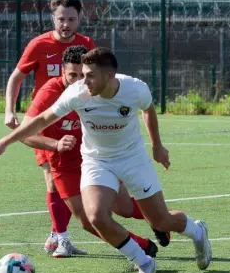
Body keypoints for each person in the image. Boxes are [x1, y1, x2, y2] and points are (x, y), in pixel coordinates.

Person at [0, 47, 212, 273]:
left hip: (133, 159)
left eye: (91, 75)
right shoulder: (77, 94)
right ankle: (144, 262)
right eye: (83, 74)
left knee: (160, 220)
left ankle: (197, 232)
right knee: (95, 217)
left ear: (110, 75)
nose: (85, 81)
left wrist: (157, 146)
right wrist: (4, 142)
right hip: (97, 161)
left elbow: (148, 109)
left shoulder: (134, 88)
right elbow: (41, 120)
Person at [18, 45, 158, 259]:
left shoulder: (98, 88)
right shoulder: (51, 93)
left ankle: (159, 221)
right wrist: (55, 144)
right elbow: (26, 131)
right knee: (88, 220)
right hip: (65, 162)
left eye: (82, 75)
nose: (78, 82)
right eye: (72, 76)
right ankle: (142, 247)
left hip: (97, 157)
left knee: (124, 208)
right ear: (62, 72)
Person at [4, 0, 96, 251]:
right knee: (53, 177)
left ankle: (57, 235)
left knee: (75, 181)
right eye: (61, 19)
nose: (66, 24)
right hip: (46, 123)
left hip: (77, 121)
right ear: (53, 19)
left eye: (71, 19)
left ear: (80, 19)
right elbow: (16, 77)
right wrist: (9, 110)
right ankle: (62, 237)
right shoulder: (39, 45)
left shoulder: (87, 46)